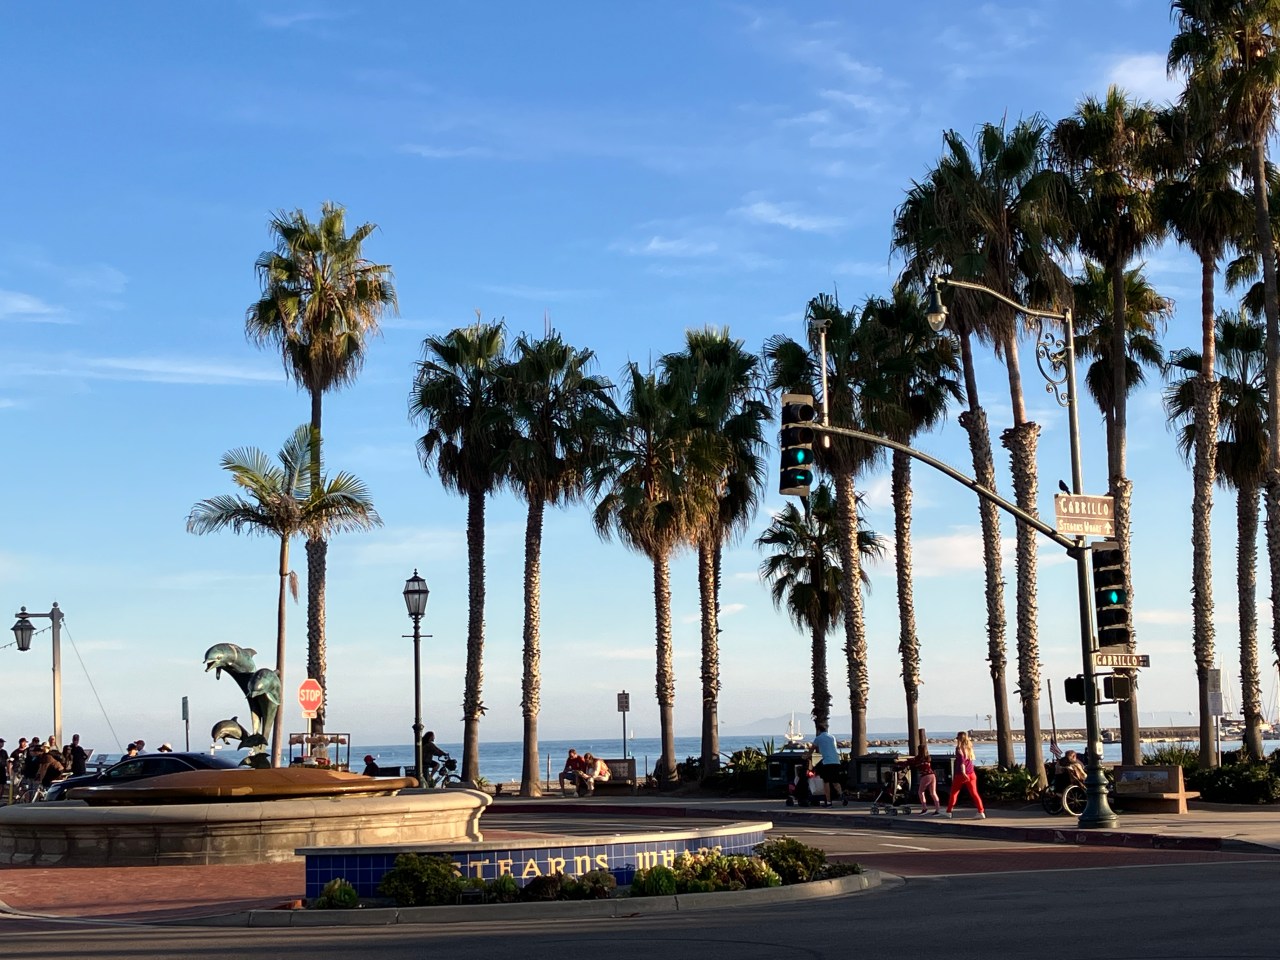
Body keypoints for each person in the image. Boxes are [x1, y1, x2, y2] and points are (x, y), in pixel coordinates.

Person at [897, 730, 941, 815]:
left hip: (925, 776)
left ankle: (924, 808)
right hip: (932, 775)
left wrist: (898, 763)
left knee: (921, 792)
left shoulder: (918, 758)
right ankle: (937, 809)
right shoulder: (928, 757)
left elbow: (908, 762)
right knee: (933, 792)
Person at [945, 731, 985, 819]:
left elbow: (961, 762)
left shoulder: (959, 749)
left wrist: (963, 773)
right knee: (974, 793)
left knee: (954, 793)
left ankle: (949, 811)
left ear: (959, 738)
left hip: (961, 774)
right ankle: (981, 811)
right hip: (971, 773)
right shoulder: (970, 748)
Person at [812, 723, 844, 806]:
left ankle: (829, 802)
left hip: (827, 763)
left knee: (826, 782)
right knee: (835, 781)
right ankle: (841, 795)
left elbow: (811, 750)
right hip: (836, 761)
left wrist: (805, 756)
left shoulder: (818, 738)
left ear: (818, 730)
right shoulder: (832, 737)